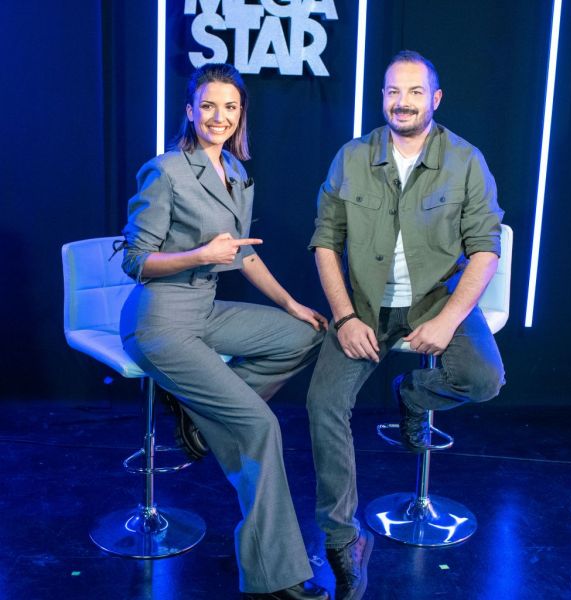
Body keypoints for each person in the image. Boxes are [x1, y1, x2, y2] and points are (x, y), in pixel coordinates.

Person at [120, 63, 329, 600]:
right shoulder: (165, 170)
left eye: (230, 107)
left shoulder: (236, 171)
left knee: (305, 335)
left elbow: (241, 255)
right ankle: (272, 575)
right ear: (190, 110)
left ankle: (197, 418)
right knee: (260, 427)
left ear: (241, 114)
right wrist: (199, 254)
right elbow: (136, 261)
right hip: (160, 322)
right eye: (209, 105)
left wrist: (292, 303)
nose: (220, 116)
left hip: (206, 311)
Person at [306, 50, 505, 599]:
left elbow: (486, 250)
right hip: (365, 306)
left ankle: (412, 394)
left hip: (435, 298)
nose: (403, 102)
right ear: (383, 98)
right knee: (323, 404)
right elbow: (325, 241)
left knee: (484, 379)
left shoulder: (466, 160)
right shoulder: (351, 157)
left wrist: (447, 319)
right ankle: (343, 540)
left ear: (435, 99)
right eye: (394, 91)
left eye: (415, 92)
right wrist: (345, 316)